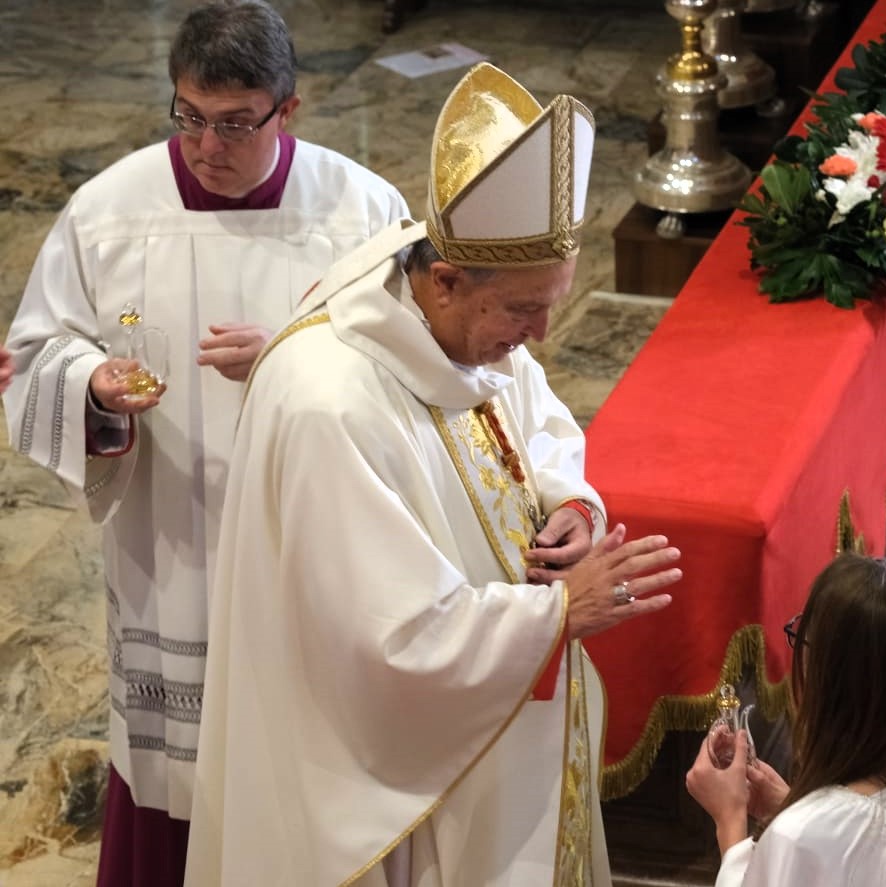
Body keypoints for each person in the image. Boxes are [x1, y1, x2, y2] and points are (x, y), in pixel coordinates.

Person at [184, 62, 683, 886]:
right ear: (446, 279)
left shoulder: (458, 325)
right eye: (524, 309)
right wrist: (558, 612)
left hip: (498, 731)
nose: (540, 332)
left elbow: (534, 411)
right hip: (398, 783)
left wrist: (571, 505)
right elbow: (383, 641)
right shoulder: (329, 402)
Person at [0, 3, 408, 883]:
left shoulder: (364, 213)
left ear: (287, 110)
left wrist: (295, 358)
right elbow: (35, 352)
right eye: (188, 116)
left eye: (233, 124)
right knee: (173, 775)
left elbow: (419, 374)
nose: (205, 145)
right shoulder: (107, 211)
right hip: (169, 545)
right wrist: (94, 386)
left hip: (308, 539)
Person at [685, 555, 886, 886]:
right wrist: (790, 806)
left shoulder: (804, 836)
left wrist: (729, 819)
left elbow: (832, 845)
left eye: (803, 636)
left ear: (830, 677)